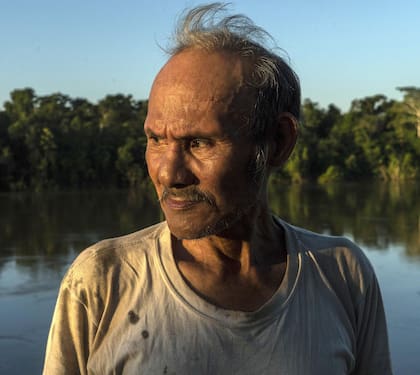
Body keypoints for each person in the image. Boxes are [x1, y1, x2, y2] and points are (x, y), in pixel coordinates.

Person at [43, 3, 392, 374]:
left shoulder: (341, 274)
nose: (168, 173)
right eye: (156, 139)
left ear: (277, 142)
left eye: (199, 143)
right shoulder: (102, 281)